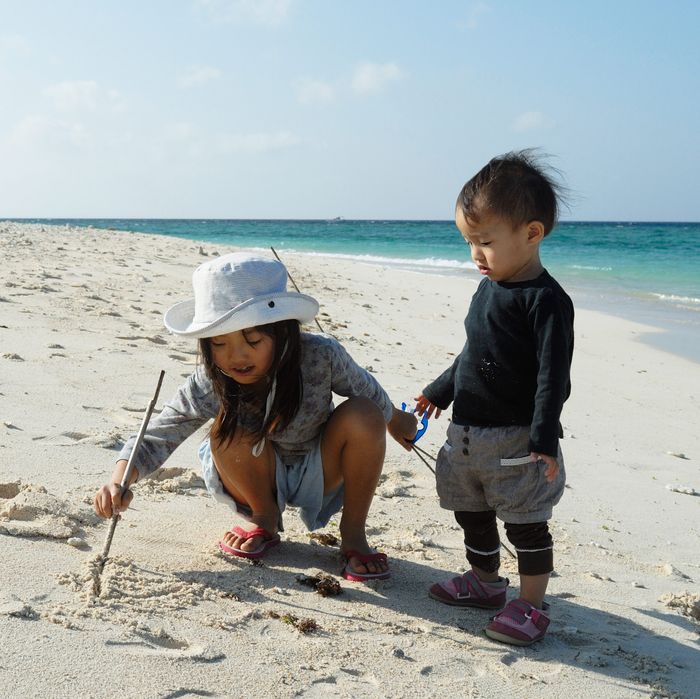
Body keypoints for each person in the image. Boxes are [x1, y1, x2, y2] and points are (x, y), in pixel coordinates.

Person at [94, 252, 417, 582]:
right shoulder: (211, 379)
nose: (236, 356)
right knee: (225, 426)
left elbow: (369, 390)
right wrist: (120, 479)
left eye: (252, 340)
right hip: (252, 472)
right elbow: (163, 430)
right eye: (219, 343)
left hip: (321, 465)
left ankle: (353, 533)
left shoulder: (322, 354)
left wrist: (395, 421)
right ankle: (262, 517)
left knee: (365, 413)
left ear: (284, 333)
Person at [415, 150, 574, 645]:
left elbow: (553, 377)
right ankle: (485, 583)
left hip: (516, 440)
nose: (476, 256)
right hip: (467, 434)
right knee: (472, 512)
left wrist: (544, 439)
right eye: (469, 242)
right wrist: (438, 391)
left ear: (531, 234)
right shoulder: (487, 290)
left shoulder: (546, 302)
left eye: (485, 241)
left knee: (526, 524)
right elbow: (472, 352)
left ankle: (530, 605)